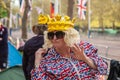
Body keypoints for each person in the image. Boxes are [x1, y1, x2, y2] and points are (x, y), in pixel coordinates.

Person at [31, 15, 108, 80]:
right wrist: (37, 63)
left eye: (59, 34)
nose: (54, 38)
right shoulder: (48, 59)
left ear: (69, 35)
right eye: (51, 35)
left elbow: (103, 68)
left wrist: (85, 58)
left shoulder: (84, 48)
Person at [22, 14, 48, 80]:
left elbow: (24, 63)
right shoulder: (51, 43)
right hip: (47, 74)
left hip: (30, 74)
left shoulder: (28, 42)